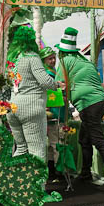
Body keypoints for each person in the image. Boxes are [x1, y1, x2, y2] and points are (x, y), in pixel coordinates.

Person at [55, 27, 104, 191]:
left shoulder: (64, 62)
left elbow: (58, 86)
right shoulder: (84, 60)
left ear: (62, 51)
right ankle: (85, 174)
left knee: (97, 139)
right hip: (99, 102)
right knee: (85, 139)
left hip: (88, 104)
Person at [6, 27, 62, 163]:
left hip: (13, 107)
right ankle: (38, 184)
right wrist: (57, 84)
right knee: (37, 151)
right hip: (31, 108)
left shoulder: (13, 59)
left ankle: (17, 181)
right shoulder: (32, 56)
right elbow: (44, 81)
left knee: (21, 148)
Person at [40, 46, 63, 181]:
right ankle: (58, 171)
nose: (53, 60)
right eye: (50, 58)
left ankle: (53, 171)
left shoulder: (53, 72)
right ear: (44, 60)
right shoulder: (47, 75)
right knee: (56, 144)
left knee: (52, 145)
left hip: (55, 112)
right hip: (51, 113)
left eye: (54, 58)